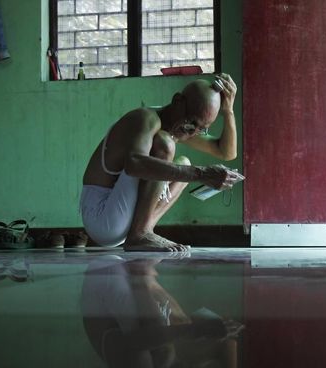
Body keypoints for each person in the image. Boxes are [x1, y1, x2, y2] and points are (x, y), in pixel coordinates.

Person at [80, 73, 241, 252]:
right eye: (191, 124)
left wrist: (229, 111)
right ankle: (140, 233)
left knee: (184, 163)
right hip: (102, 216)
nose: (192, 132)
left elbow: (226, 152)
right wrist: (201, 174)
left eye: (201, 130)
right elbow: (134, 163)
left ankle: (141, 230)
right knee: (166, 144)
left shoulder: (183, 127)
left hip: (121, 222)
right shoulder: (146, 119)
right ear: (177, 101)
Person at [81, 255, 244, 368]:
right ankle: (142, 273)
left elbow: (135, 342)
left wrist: (194, 330)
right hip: (125, 268)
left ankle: (140, 273)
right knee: (181, 333)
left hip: (104, 277)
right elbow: (227, 342)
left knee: (164, 350)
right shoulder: (182, 357)